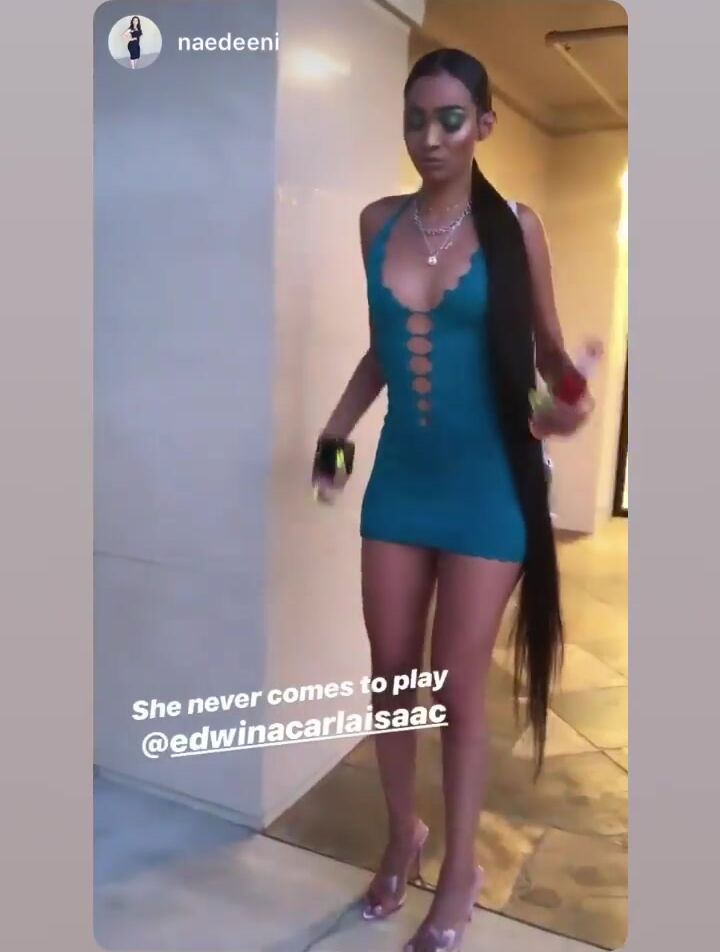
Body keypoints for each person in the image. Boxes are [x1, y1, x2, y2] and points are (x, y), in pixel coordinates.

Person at [313, 48, 595, 952]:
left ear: (484, 125)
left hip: (489, 488)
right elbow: (381, 348)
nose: (429, 137)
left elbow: (550, 354)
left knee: (455, 687)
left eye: (450, 119)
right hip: (401, 481)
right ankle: (405, 833)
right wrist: (334, 435)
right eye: (415, 120)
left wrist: (569, 402)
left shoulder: (515, 227)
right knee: (394, 676)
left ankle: (463, 869)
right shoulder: (376, 222)